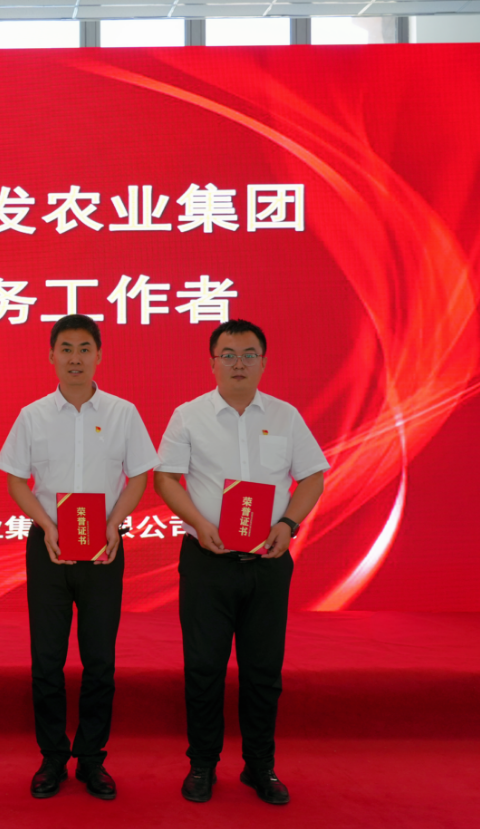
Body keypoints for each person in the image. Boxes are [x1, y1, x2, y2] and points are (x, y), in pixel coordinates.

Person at [154, 319, 328, 806]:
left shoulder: (286, 416)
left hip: (268, 561)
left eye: (249, 355)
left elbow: (313, 476)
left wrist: (289, 523)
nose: (238, 363)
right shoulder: (188, 415)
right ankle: (202, 765)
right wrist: (198, 523)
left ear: (263, 362)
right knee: (203, 667)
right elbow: (165, 479)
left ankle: (260, 766)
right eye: (228, 355)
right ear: (212, 362)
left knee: (263, 670)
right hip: (207, 561)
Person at [0, 314, 157, 801]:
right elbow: (16, 479)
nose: (75, 358)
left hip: (104, 548)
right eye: (65, 349)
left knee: (99, 660)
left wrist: (114, 524)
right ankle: (52, 757)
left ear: (99, 355)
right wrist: (46, 526)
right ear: (51, 356)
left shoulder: (123, 412)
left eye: (85, 348)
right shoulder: (33, 415)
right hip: (48, 547)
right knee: (47, 659)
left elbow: (139, 476)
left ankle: (91, 758)